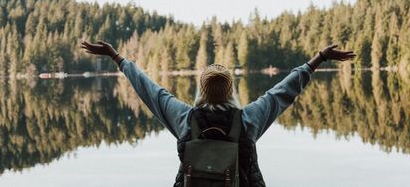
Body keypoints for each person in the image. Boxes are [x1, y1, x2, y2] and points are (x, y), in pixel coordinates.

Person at [80, 40, 355, 186]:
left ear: (201, 91)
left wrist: (116, 57)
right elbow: (285, 91)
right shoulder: (248, 120)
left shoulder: (186, 120)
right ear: (231, 91)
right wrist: (319, 58)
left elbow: (149, 90)